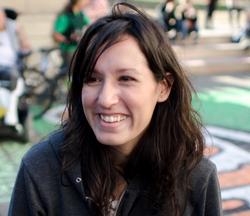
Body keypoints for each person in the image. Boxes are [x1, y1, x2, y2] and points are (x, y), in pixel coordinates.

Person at [8, 3, 222, 216]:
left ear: (163, 87)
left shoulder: (197, 179)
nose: (106, 99)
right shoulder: (41, 169)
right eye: (92, 79)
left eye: (126, 78)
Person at [0, 7, 30, 130]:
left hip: (12, 68)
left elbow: (26, 45)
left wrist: (25, 48)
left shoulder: (12, 28)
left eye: (2, 17)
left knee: (17, 83)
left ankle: (11, 118)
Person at [52, 0, 91, 68]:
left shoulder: (81, 15)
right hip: (68, 50)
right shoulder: (66, 16)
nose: (87, 1)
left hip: (79, 49)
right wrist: (68, 39)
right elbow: (56, 35)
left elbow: (91, 26)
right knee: (70, 73)